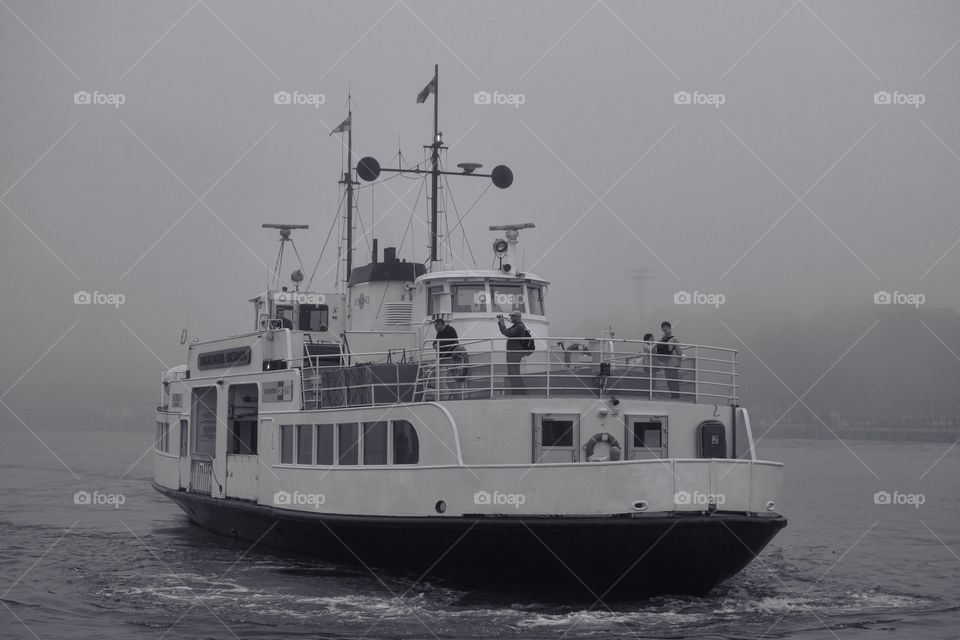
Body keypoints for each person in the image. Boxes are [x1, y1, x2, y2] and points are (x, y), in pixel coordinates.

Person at [497, 311, 529, 395]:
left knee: (513, 372)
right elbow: (506, 331)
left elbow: (507, 333)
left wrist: (501, 321)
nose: (511, 318)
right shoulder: (517, 326)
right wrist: (501, 322)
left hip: (515, 352)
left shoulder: (519, 326)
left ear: (517, 317)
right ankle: (518, 392)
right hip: (513, 352)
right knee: (513, 373)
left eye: (512, 316)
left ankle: (519, 392)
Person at [432, 318, 460, 395]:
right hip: (442, 358)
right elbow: (434, 343)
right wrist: (435, 345)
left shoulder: (450, 330)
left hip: (450, 358)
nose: (435, 328)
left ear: (441, 324)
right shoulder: (439, 333)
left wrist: (438, 346)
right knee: (437, 375)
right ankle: (443, 396)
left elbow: (452, 342)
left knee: (449, 378)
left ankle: (457, 397)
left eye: (436, 325)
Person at [655, 322, 682, 399]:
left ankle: (676, 397)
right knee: (669, 381)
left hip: (673, 363)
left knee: (673, 380)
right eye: (663, 327)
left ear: (670, 327)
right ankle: (673, 396)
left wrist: (679, 362)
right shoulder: (662, 339)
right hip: (666, 364)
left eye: (666, 326)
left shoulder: (674, 339)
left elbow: (679, 351)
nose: (664, 328)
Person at [630, 333, 655, 398]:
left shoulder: (650, 345)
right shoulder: (645, 345)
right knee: (649, 379)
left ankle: (652, 393)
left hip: (652, 365)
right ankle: (649, 393)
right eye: (651, 337)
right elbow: (651, 350)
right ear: (648, 338)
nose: (653, 338)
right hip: (648, 365)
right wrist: (656, 344)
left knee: (653, 379)